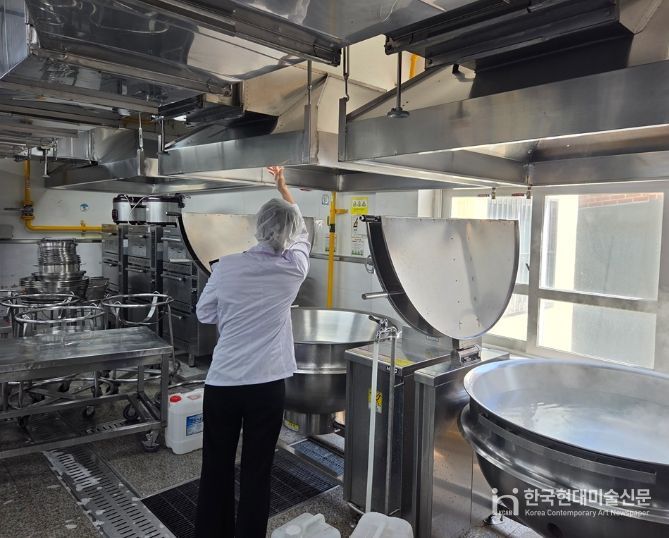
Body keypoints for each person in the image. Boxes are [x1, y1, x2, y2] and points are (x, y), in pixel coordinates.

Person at [194, 166, 310, 537]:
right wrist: (284, 187)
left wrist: (235, 312)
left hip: (224, 384)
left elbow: (204, 313)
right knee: (258, 469)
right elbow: (302, 230)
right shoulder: (294, 269)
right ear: (289, 233)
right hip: (267, 386)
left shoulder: (226, 267)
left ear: (257, 227)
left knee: (216, 465)